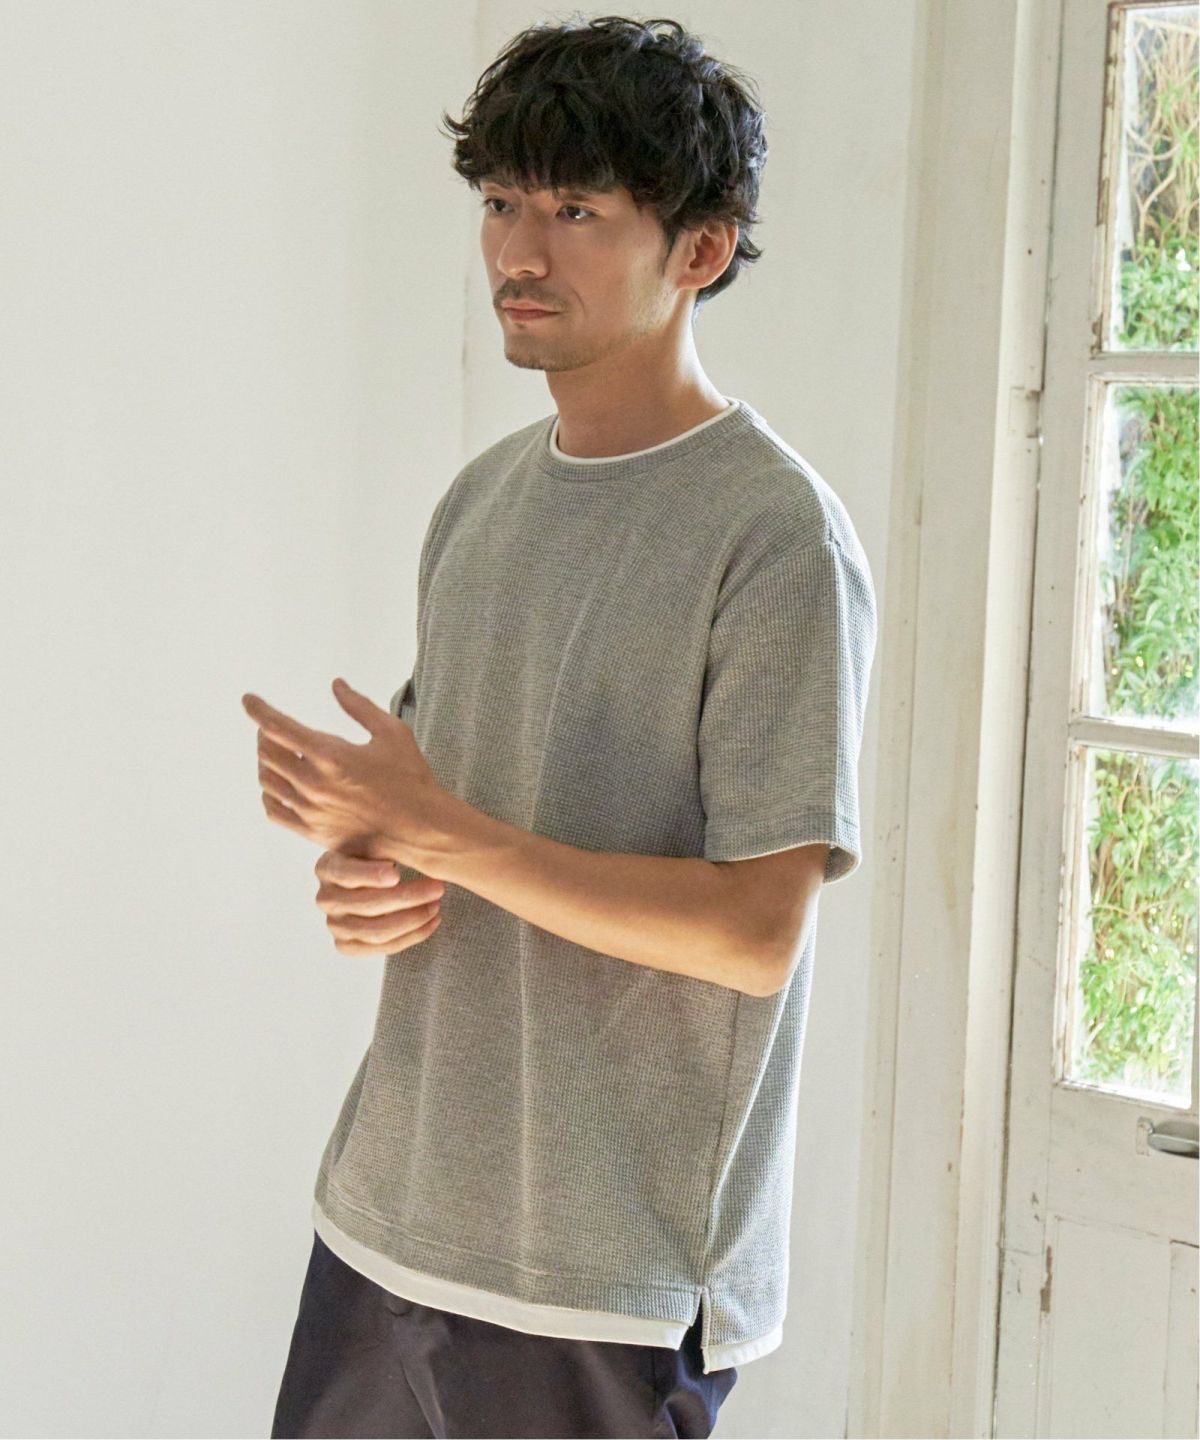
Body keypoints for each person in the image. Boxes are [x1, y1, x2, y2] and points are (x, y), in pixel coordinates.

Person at [269, 14, 878, 1438]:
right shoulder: (481, 500)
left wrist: (449, 837)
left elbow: (756, 932)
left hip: (602, 1280)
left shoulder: (776, 537)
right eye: (501, 203)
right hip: (387, 1216)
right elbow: (448, 823)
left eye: (577, 212)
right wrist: (373, 872)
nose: (518, 253)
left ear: (701, 250)